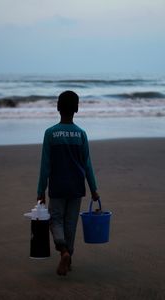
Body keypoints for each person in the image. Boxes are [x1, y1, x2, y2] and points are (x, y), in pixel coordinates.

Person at [37, 90, 99, 276]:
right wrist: (94, 189)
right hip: (76, 186)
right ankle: (68, 258)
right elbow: (87, 164)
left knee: (55, 220)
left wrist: (41, 191)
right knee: (70, 223)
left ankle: (63, 251)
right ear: (77, 109)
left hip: (57, 186)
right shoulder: (81, 134)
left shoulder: (50, 134)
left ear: (57, 107)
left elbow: (45, 166)